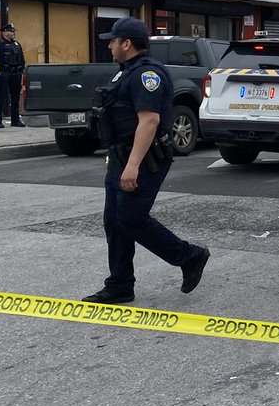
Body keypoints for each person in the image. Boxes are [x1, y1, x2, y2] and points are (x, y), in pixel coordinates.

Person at [82, 17, 209, 304]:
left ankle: (190, 256)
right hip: (121, 156)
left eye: (113, 41)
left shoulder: (146, 75)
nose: (110, 46)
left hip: (144, 159)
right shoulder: (125, 72)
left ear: (126, 43)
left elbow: (149, 121)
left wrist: (132, 166)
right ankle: (120, 285)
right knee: (114, 222)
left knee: (130, 218)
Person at [0, 23, 26, 128]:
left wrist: (21, 70)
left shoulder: (17, 44)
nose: (13, 33)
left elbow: (22, 58)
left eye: (13, 31)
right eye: (11, 31)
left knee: (15, 97)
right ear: (4, 32)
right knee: (1, 97)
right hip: (4, 73)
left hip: (16, 73)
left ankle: (15, 120)